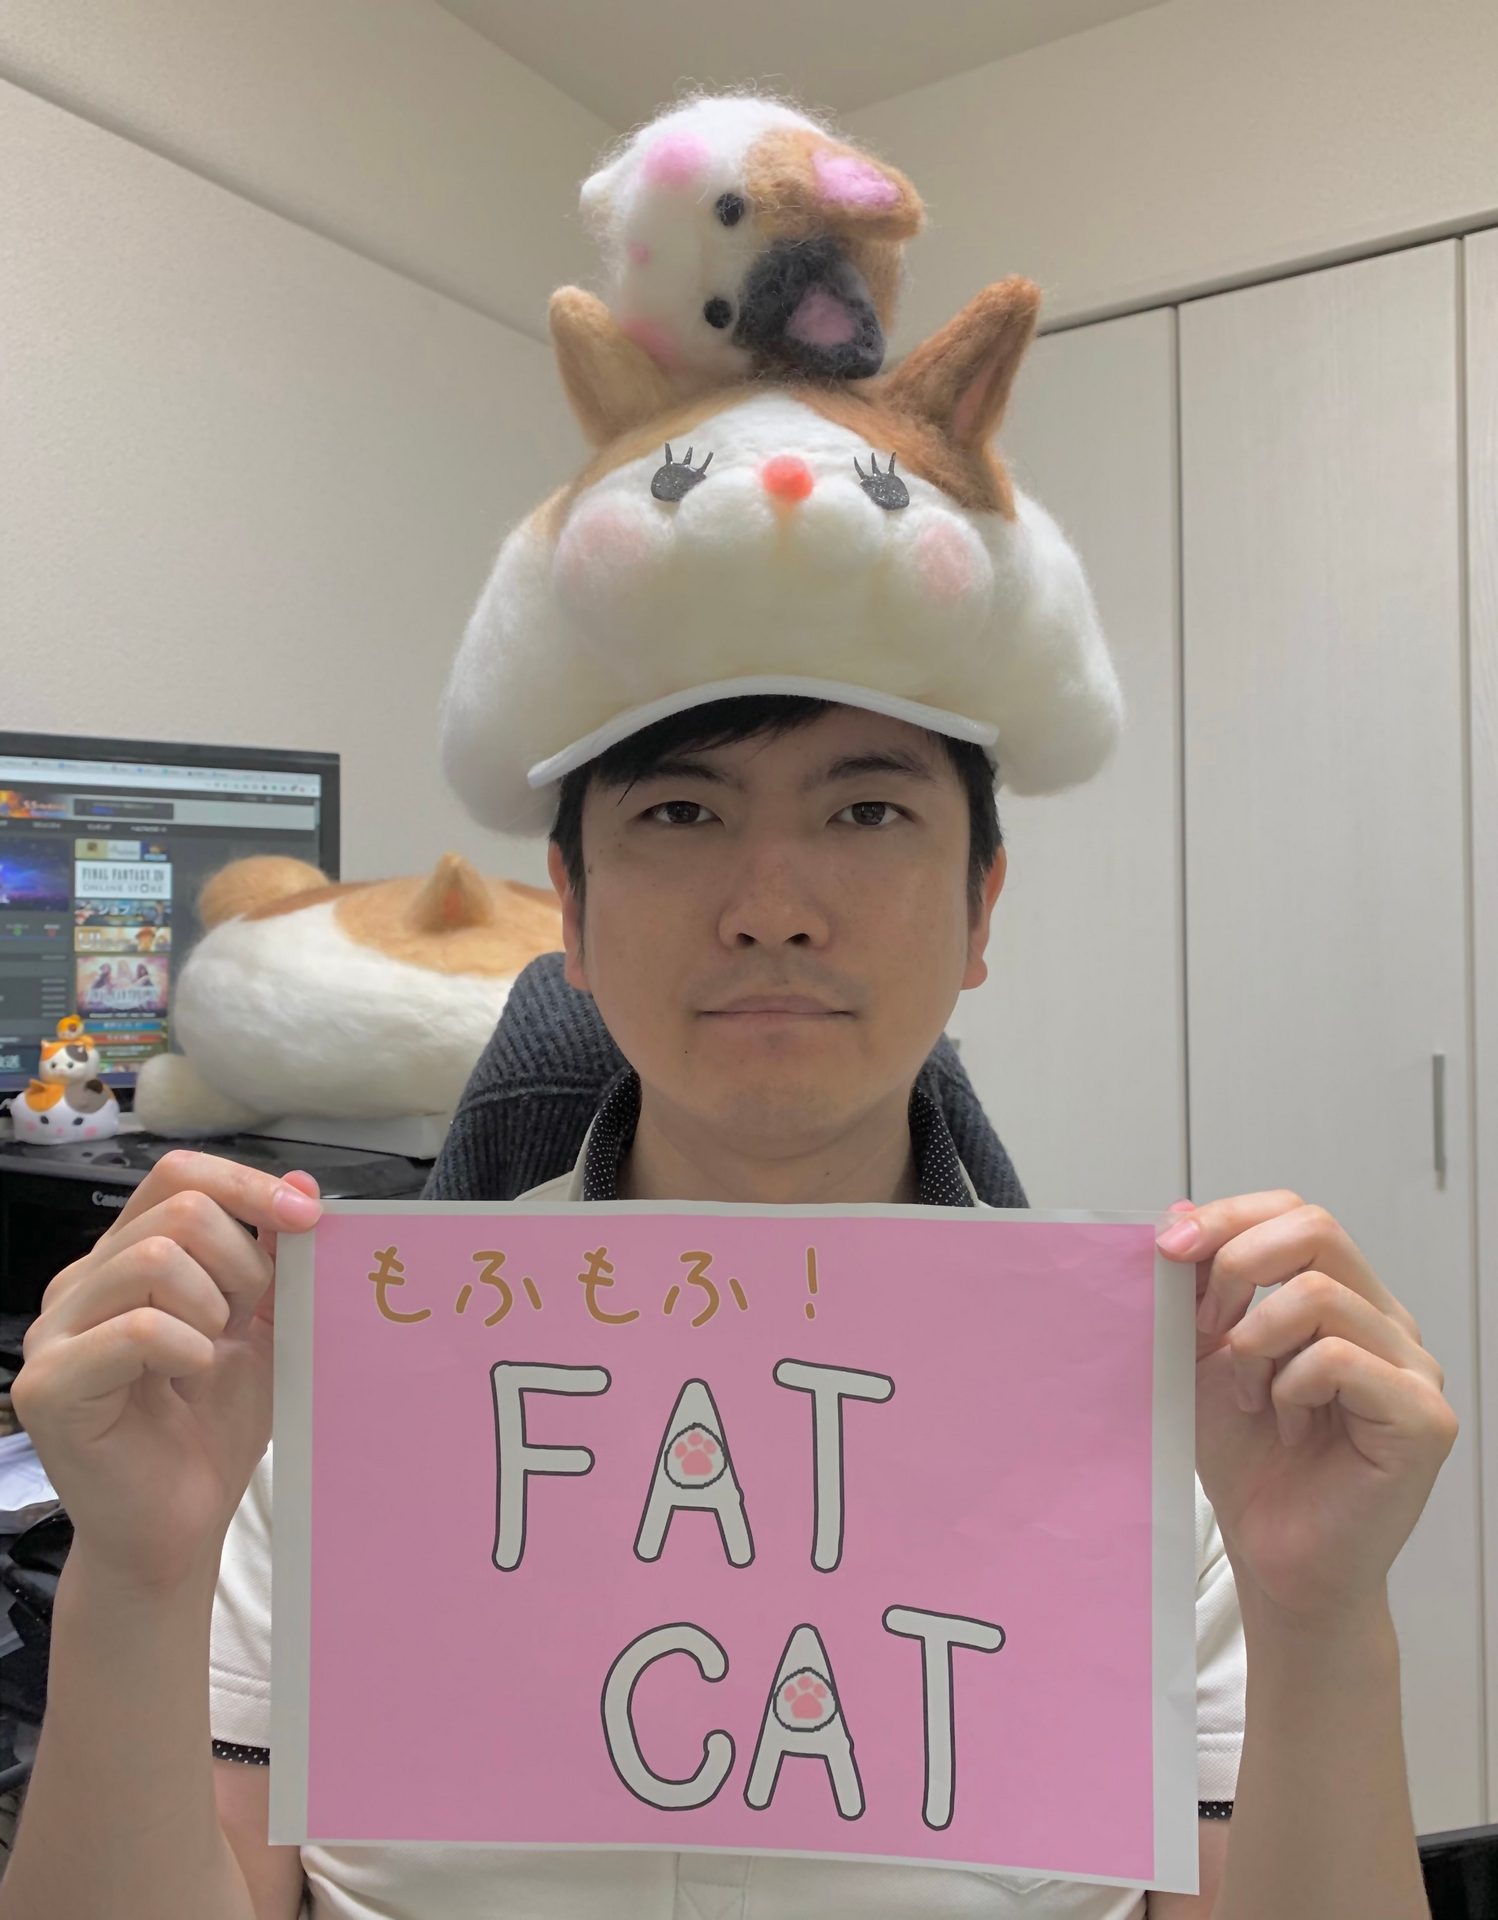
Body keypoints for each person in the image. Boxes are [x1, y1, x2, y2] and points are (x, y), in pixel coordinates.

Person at [2, 92, 1456, 1920]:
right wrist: (137, 1576)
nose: (771, 904)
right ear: (572, 916)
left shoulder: (1166, 1432)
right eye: (681, 816)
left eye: (866, 812)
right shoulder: (326, 1405)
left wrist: (1324, 1617)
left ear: (981, 908)